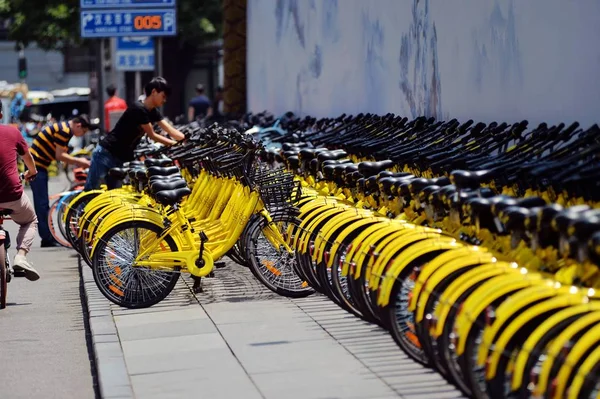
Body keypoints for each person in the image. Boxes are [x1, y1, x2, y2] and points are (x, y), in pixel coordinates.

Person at [84, 77, 185, 191]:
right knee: (91, 190)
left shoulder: (152, 111)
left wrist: (184, 139)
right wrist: (174, 143)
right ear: (154, 92)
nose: (164, 100)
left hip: (119, 157)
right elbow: (152, 135)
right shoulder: (139, 109)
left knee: (115, 194)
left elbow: (169, 129)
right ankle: (78, 209)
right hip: (106, 153)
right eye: (163, 96)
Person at [29, 115, 92, 247]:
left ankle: (47, 236)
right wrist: (79, 161)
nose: (81, 135)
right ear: (78, 126)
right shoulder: (65, 130)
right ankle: (46, 238)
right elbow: (60, 155)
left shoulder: (64, 128)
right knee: (42, 203)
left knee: (42, 203)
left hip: (38, 165)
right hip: (36, 167)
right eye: (83, 132)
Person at [0, 101, 40, 281]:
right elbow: (28, 157)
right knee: (30, 220)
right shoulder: (12, 132)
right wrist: (32, 172)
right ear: (1, 115)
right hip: (11, 194)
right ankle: (21, 256)